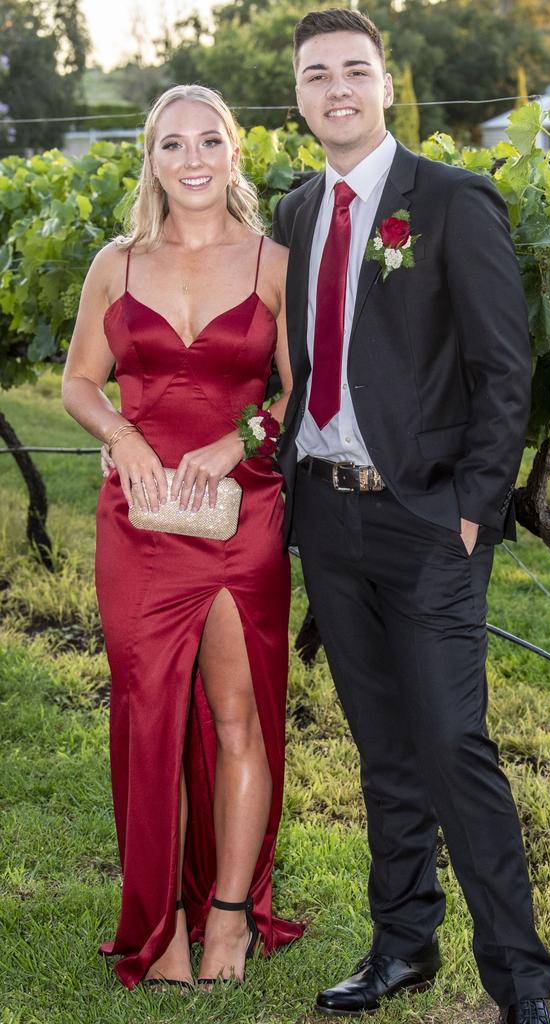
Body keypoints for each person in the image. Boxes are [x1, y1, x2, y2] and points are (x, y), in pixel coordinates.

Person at [271, 9, 550, 1024]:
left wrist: (474, 509)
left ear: (387, 85)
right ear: (299, 94)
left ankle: (521, 973)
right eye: (317, 75)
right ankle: (403, 943)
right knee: (382, 746)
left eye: (355, 70)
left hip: (430, 520)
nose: (336, 88)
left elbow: (503, 368)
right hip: (329, 520)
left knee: (451, 743)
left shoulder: (449, 200)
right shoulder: (294, 213)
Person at [61, 84, 303, 990]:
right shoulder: (114, 266)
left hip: (242, 517)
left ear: (234, 153)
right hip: (139, 523)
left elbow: (300, 395)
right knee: (148, 720)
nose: (192, 159)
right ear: (151, 159)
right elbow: (81, 382)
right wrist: (120, 435)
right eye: (173, 144)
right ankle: (159, 926)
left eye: (209, 141)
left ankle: (231, 915)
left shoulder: (275, 264)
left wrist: (234, 438)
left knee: (239, 716)